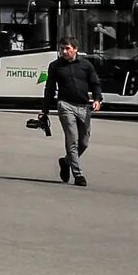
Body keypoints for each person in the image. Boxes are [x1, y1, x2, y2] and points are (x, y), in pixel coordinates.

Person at [41, 37, 100, 186]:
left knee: (84, 142)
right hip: (65, 105)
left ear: (75, 49)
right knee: (71, 140)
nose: (64, 51)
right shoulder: (55, 66)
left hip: (84, 106)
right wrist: (44, 111)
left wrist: (98, 99)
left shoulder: (86, 65)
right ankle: (78, 175)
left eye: (67, 48)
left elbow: (95, 84)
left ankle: (66, 161)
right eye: (62, 49)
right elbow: (49, 89)